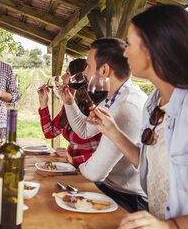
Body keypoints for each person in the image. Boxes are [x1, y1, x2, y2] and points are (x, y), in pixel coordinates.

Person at [90, 5, 188, 228]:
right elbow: (149, 166)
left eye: (130, 44)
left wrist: (171, 225)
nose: (124, 53)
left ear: (152, 48)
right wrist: (112, 131)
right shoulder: (152, 104)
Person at [59, 38, 148, 213]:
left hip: (129, 199)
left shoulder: (126, 106)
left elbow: (94, 173)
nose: (84, 72)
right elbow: (84, 131)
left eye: (88, 66)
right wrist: (69, 103)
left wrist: (71, 162)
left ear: (105, 70)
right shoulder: (112, 97)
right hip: (111, 188)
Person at [37, 59, 101, 168]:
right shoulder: (70, 105)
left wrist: (72, 159)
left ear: (79, 78)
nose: (62, 77)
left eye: (67, 73)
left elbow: (102, 153)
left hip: (90, 170)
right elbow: (50, 133)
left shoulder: (94, 109)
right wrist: (44, 103)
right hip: (72, 167)